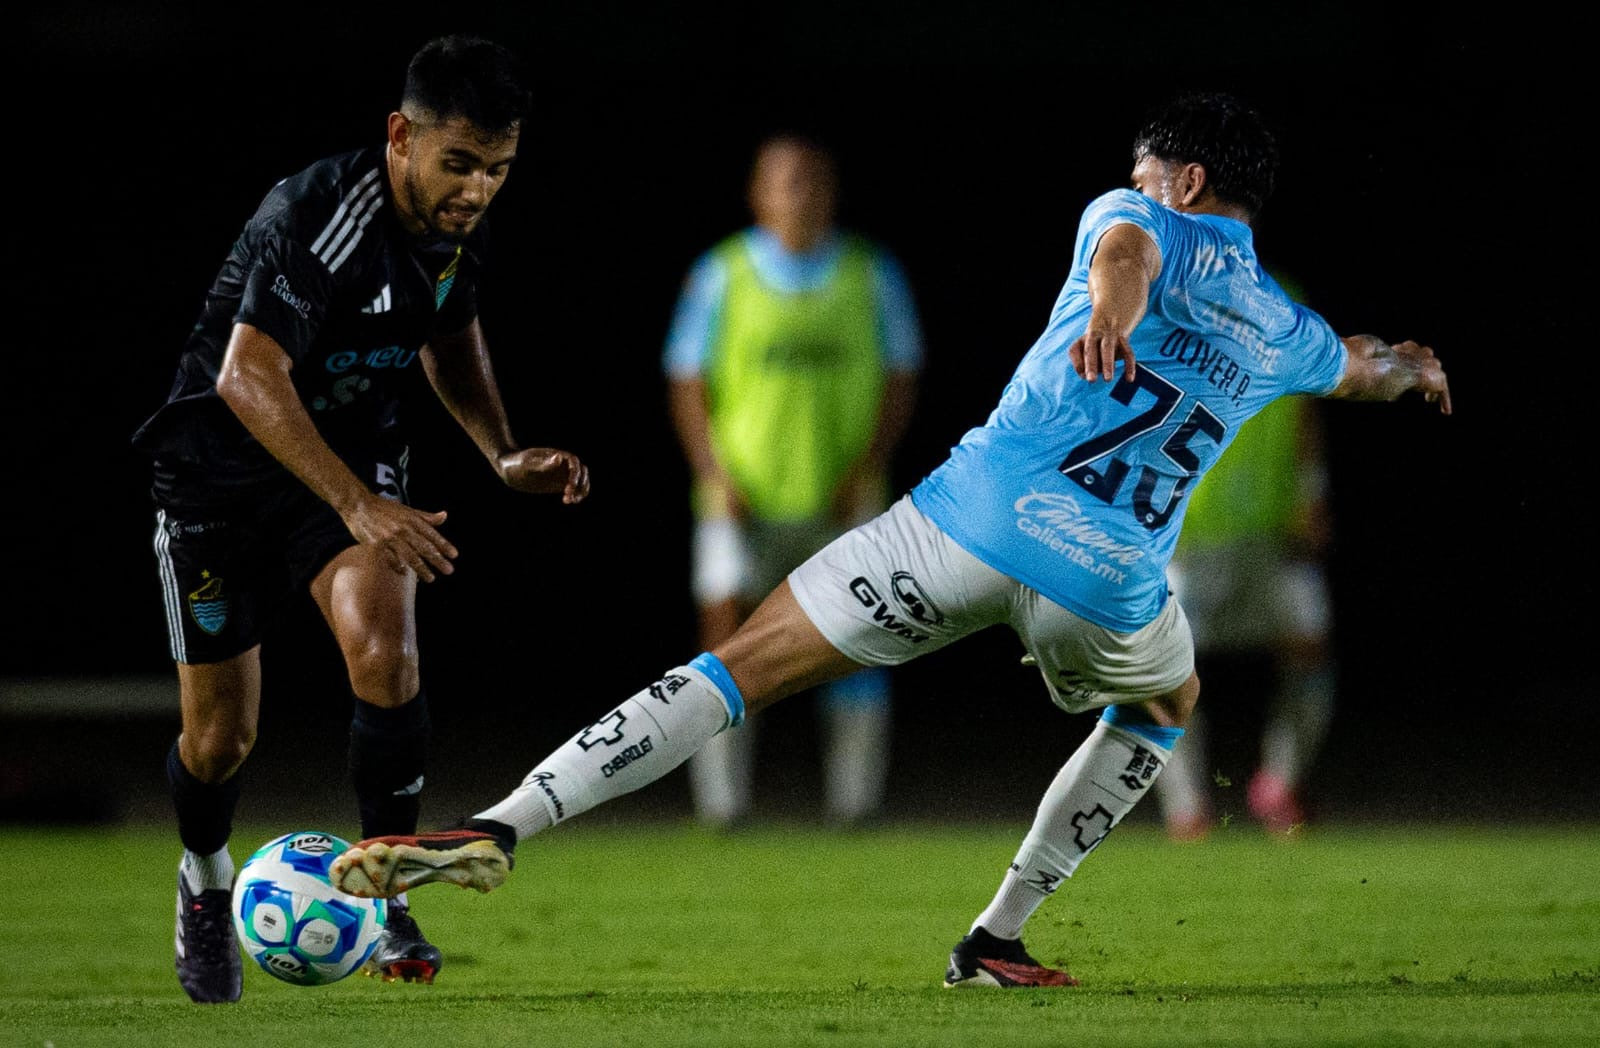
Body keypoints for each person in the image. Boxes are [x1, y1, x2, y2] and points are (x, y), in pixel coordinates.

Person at [328, 91, 1450, 989]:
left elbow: (1124, 255)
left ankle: (502, 823)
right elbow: (1356, 366)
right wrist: (1409, 368)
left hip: (956, 526)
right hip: (1108, 582)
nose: (1139, 184)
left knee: (736, 666)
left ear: (1186, 180)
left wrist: (1113, 306)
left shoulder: (1138, 215)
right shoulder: (1287, 328)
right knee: (1163, 707)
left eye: (1150, 171)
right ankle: (997, 936)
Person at [129, 34, 590, 1004]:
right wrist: (358, 501)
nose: (476, 189)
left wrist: (500, 453)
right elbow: (246, 375)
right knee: (220, 740)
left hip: (347, 466)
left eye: (498, 169)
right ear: (400, 136)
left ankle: (388, 894)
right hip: (216, 478)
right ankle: (206, 879)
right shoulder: (320, 214)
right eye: (458, 163)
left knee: (387, 653)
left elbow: (451, 332)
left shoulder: (457, 225)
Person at [663, 133, 924, 829]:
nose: (799, 195)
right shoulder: (722, 274)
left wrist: (866, 468)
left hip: (844, 496)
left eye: (812, 181)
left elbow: (901, 376)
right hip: (739, 498)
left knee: (858, 638)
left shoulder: (871, 274)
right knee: (726, 639)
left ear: (832, 193)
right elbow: (687, 380)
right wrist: (715, 473)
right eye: (785, 181)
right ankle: (721, 805)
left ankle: (854, 804)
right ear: (758, 193)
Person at [1152, 387, 1339, 841]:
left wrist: (1312, 488)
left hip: (1271, 533)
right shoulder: (1174, 325)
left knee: (1310, 652)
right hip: (1192, 536)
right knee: (1163, 672)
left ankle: (1279, 784)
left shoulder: (1290, 324)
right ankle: (1186, 808)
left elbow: (1306, 410)